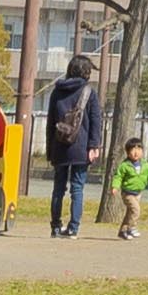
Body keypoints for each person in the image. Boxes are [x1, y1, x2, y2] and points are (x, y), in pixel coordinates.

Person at [43, 54, 106, 238]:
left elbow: (50, 121)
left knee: (58, 188)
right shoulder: (89, 92)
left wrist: (50, 148)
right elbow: (96, 120)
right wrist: (94, 145)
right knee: (77, 188)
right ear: (86, 72)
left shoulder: (57, 91)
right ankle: (73, 228)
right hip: (81, 146)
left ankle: (55, 227)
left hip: (59, 145)